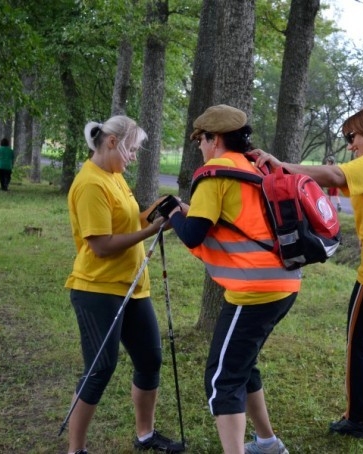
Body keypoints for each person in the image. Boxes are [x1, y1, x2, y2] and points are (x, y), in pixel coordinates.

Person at [253, 107, 363, 445]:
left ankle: (359, 418)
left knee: (359, 341)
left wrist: (280, 166)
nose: (351, 146)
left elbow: (333, 175)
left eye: (353, 137)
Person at [162, 104, 300, 454]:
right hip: (285, 283)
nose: (199, 146)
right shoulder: (251, 167)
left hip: (253, 290)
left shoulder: (213, 173)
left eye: (201, 139)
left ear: (216, 138)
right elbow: (230, 222)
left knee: (222, 379)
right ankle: (267, 443)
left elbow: (194, 234)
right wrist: (185, 212)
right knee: (242, 363)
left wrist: (174, 212)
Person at [64, 116, 185, 454]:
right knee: (100, 368)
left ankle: (145, 435)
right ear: (113, 142)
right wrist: (150, 231)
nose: (133, 157)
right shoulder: (91, 184)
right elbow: (101, 245)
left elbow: (130, 221)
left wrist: (159, 213)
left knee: (150, 359)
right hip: (97, 290)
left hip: (133, 288)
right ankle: (76, 450)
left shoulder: (114, 176)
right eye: (131, 149)